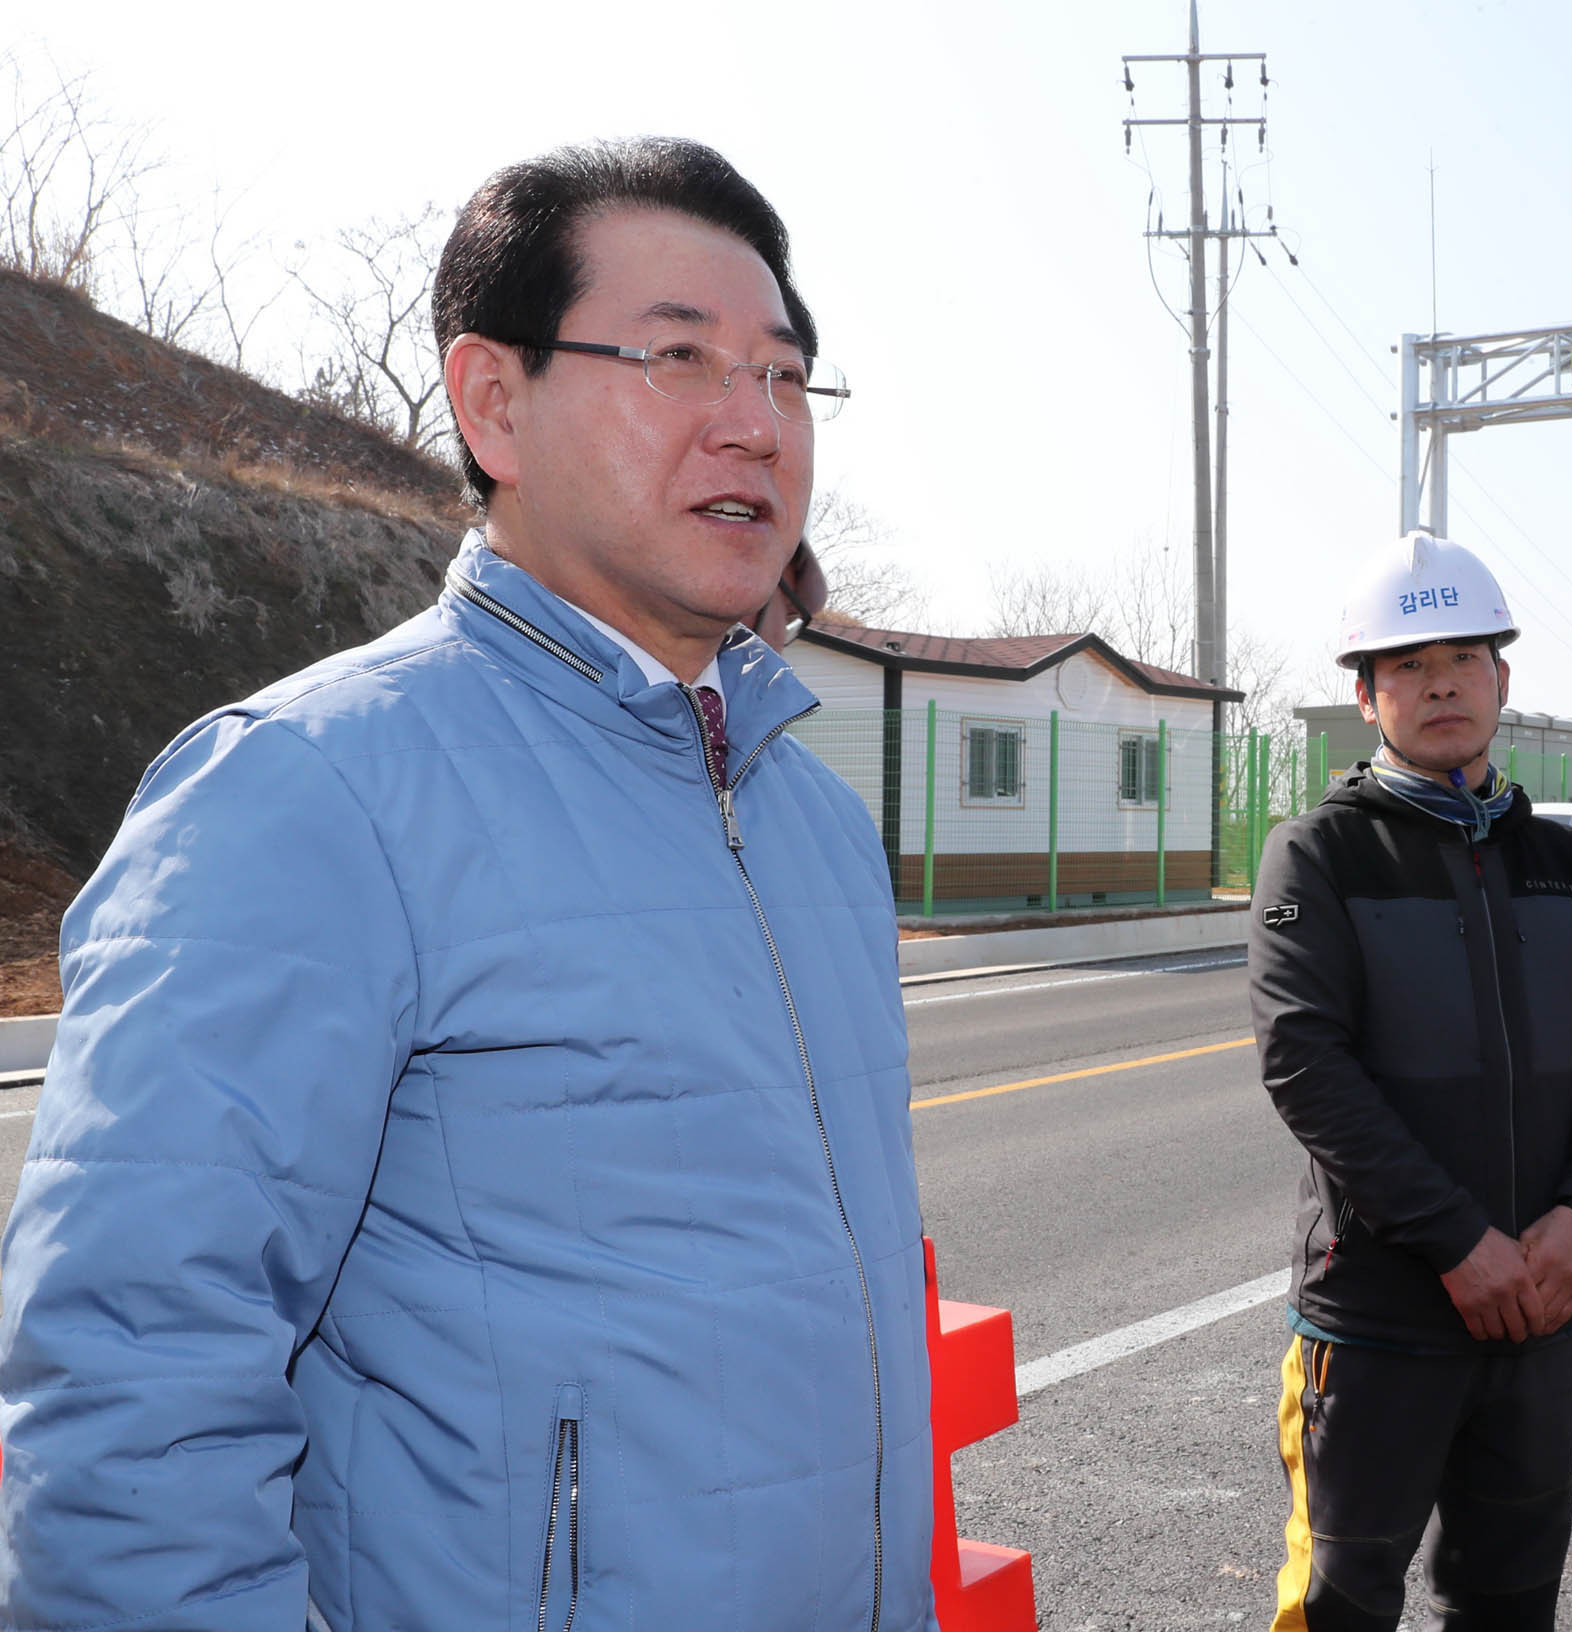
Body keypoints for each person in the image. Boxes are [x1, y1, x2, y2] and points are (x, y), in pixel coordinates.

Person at [0, 139, 935, 1630]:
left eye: (782, 374)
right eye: (681, 359)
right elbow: (129, 1397)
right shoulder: (308, 792)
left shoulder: (817, 825)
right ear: (494, 401)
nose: (754, 427)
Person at [1248, 530, 1572, 1632]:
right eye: (1409, 666)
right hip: (1380, 1316)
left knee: (1510, 1599)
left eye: (1464, 659)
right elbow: (1303, 1063)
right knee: (1340, 1599)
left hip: (1536, 1307)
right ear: (1369, 694)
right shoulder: (1321, 856)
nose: (1440, 683)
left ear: (1501, 680)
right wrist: (1455, 1244)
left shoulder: (1567, 866)